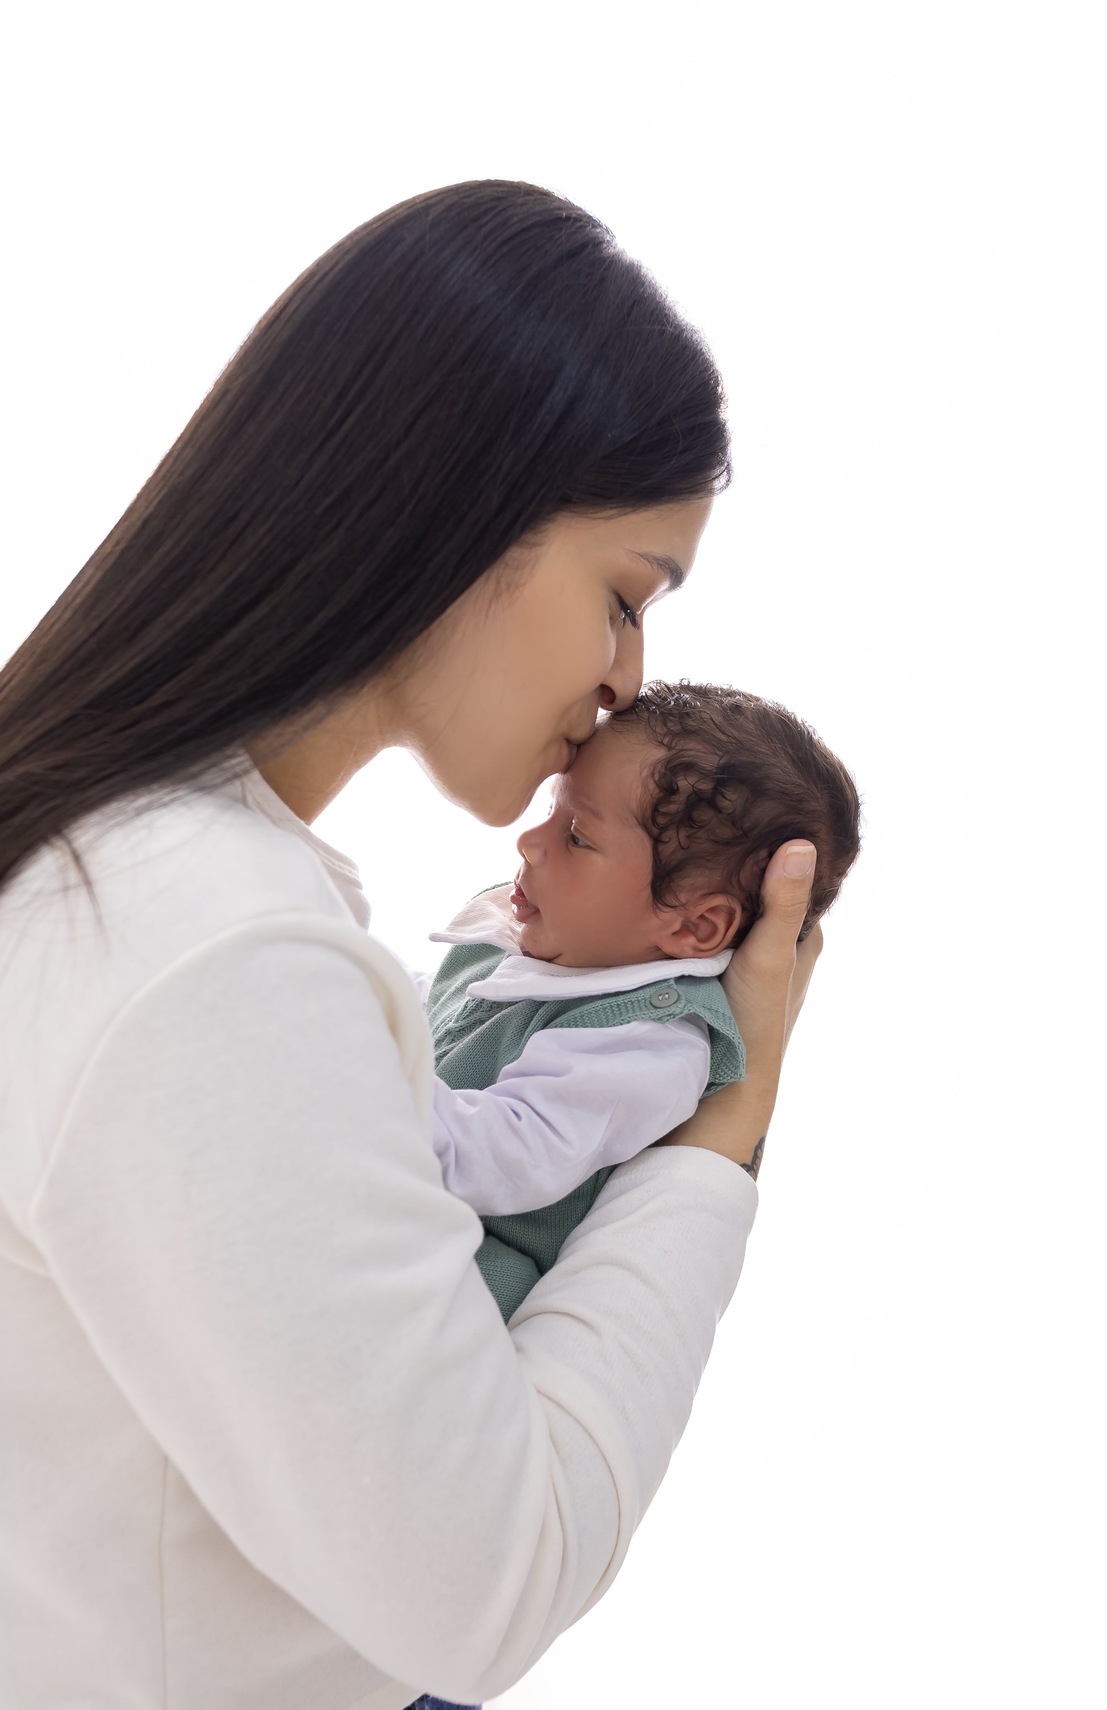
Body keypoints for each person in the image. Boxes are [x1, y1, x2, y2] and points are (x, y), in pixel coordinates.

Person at [0, 181, 824, 1710]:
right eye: (625, 596)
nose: (627, 680)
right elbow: (488, 1580)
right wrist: (721, 1132)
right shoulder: (210, 951)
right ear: (462, 515)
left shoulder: (118, 860)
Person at [420, 680, 860, 1321]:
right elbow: (432, 1019)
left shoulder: (649, 1042)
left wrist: (359, 1078)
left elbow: (501, 1153)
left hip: (454, 1290)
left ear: (693, 928)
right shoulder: (533, 935)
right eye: (552, 810)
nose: (531, 841)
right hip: (389, 1198)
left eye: (577, 837)